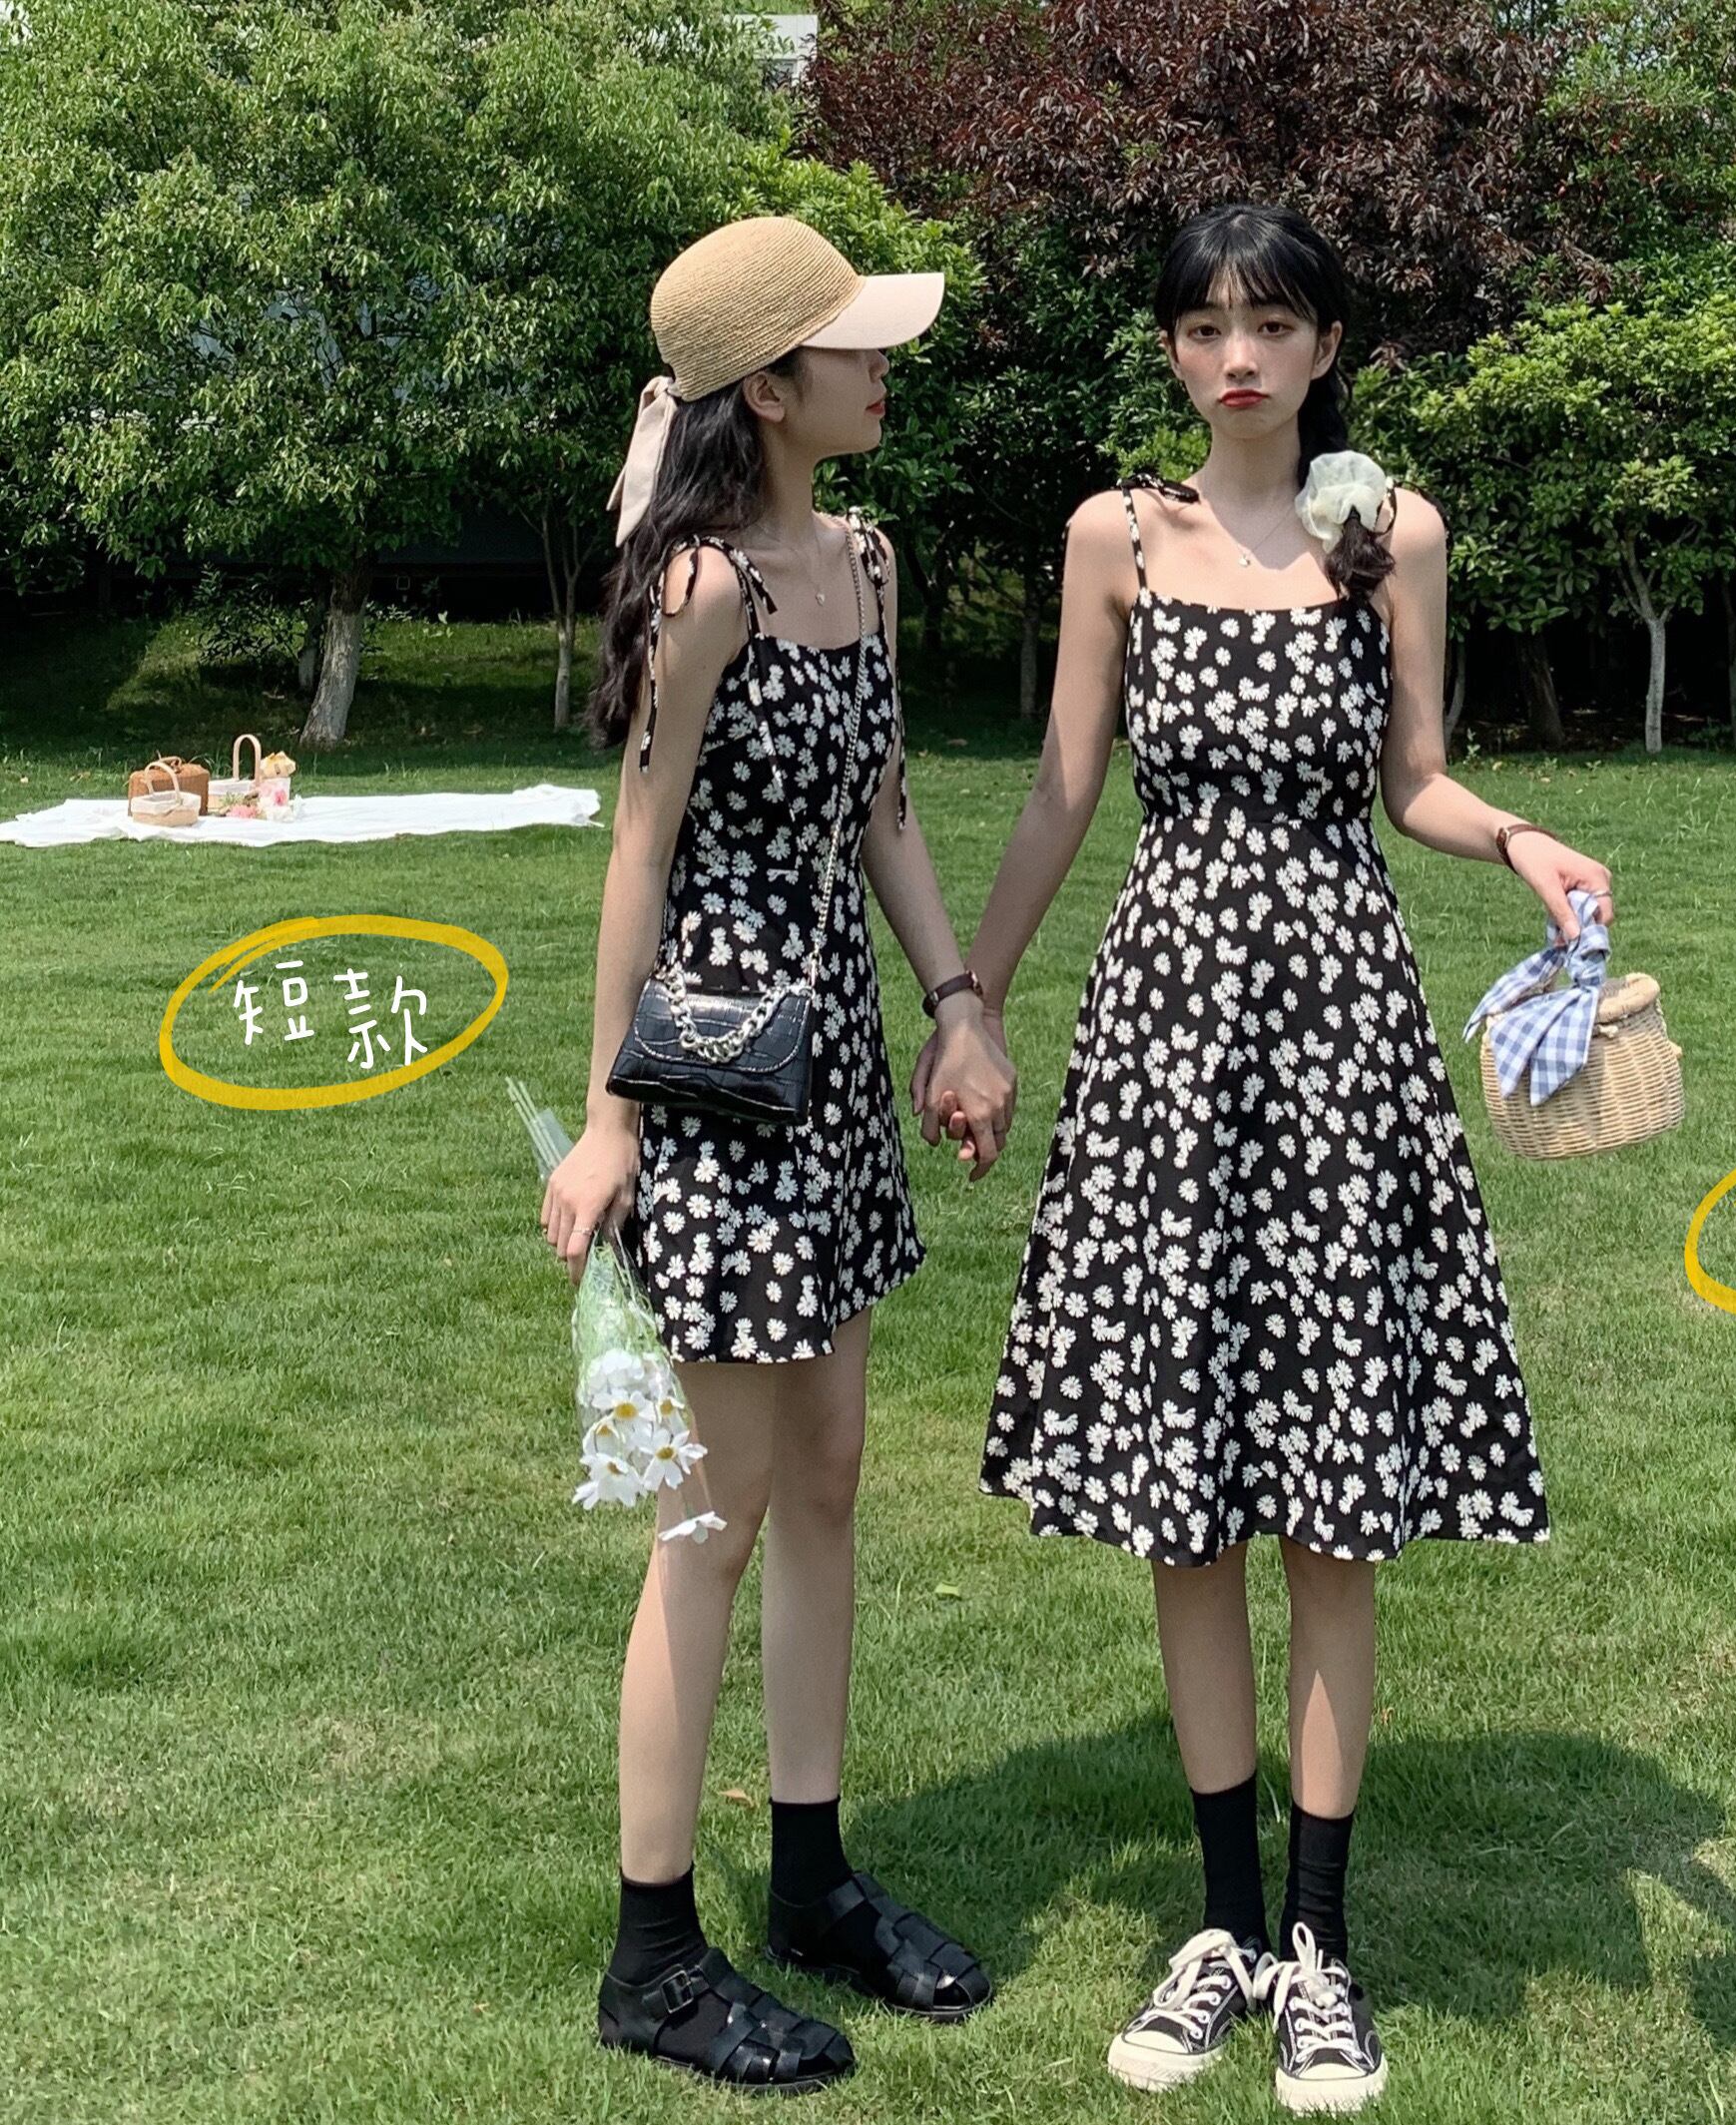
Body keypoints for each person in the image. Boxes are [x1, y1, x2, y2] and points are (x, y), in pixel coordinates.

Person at [915, 202, 1612, 2115]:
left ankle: (1317, 1948)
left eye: (1274, 324)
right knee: (1187, 1495)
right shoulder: (1114, 538)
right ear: (1170, 349)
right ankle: (1220, 1927)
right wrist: (971, 999)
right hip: (1164, 1038)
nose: (1239, 356)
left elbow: (1413, 778)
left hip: (1340, 1041)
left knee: (1329, 1502)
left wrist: (1520, 840)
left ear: (1325, 348)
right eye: (1208, 325)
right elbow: (1064, 786)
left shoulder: (1392, 535)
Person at [541, 214, 1013, 2097]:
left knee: (822, 1477)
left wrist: (956, 1001)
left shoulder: (865, 562)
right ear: (765, 388)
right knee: (708, 1516)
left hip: (833, 1085)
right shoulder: (702, 588)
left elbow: (883, 805)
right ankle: (653, 1954)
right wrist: (609, 1118)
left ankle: (809, 1879)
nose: (882, 369)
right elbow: (637, 848)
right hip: (719, 1081)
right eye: (852, 347)